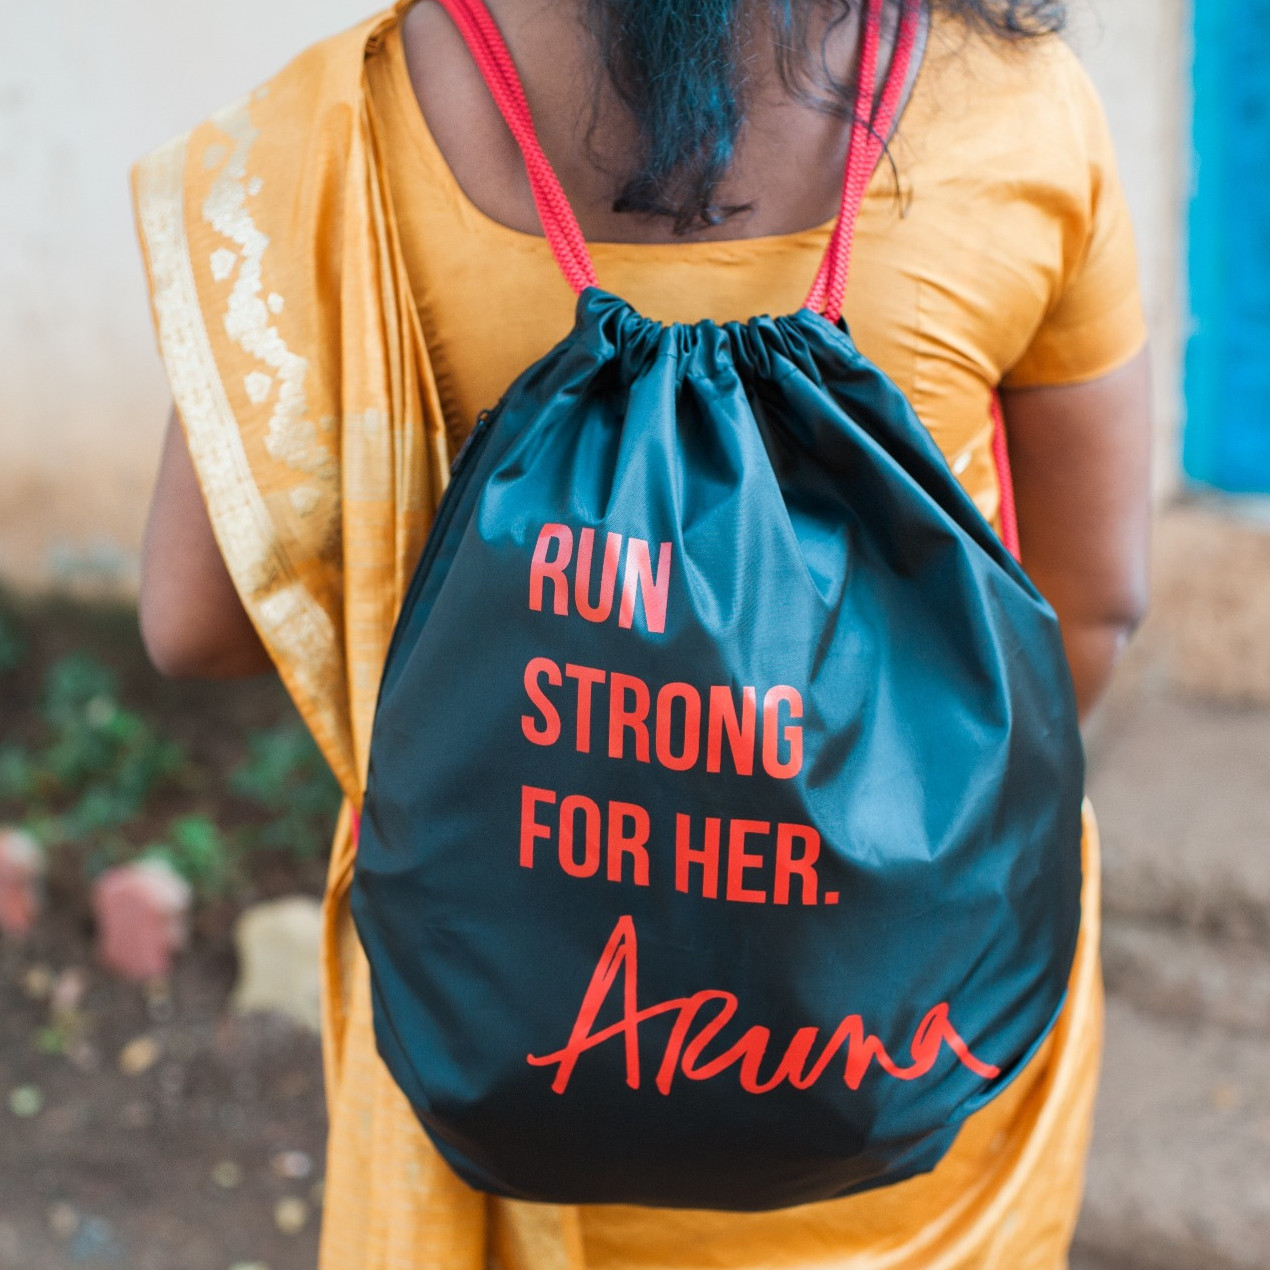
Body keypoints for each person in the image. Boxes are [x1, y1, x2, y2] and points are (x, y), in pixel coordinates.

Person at [133, 0, 1152, 1264]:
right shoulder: (1015, 103)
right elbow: (1094, 601)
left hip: (519, 1043)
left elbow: (193, 624)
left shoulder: (352, 132)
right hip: (914, 1065)